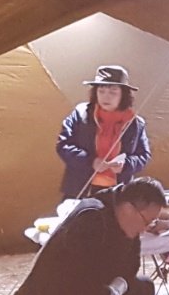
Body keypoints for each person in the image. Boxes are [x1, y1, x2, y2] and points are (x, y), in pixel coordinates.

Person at [11, 177, 167, 295]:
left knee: (142, 288)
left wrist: (115, 292)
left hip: (91, 292)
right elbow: (73, 276)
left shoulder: (126, 223)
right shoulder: (91, 218)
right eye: (147, 221)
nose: (146, 229)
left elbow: (131, 267)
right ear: (128, 208)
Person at [56, 64, 153, 200]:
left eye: (113, 92)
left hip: (118, 191)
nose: (106, 97)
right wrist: (91, 161)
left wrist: (126, 165)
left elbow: (143, 155)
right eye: (101, 91)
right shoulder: (80, 115)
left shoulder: (135, 123)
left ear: (123, 95)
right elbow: (63, 145)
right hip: (80, 188)